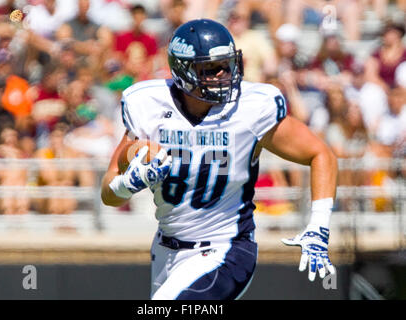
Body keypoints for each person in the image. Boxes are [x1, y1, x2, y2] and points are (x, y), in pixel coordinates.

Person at [101, 19, 337, 300]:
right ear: (183, 70)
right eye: (211, 68)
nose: (224, 74)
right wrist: (128, 183)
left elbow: (320, 153)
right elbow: (108, 194)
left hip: (226, 250)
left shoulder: (250, 108)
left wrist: (319, 225)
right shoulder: (149, 105)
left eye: (227, 64)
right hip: (166, 249)